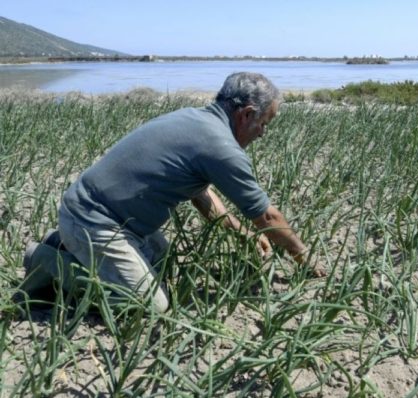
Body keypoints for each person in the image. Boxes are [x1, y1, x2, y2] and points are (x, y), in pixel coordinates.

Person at [19, 72, 325, 313]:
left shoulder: (197, 119)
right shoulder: (220, 146)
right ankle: (46, 260)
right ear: (245, 114)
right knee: (148, 304)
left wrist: (237, 230)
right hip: (94, 219)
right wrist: (302, 255)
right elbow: (267, 215)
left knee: (162, 260)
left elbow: (200, 193)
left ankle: (62, 242)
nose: (263, 133)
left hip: (102, 215)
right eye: (263, 123)